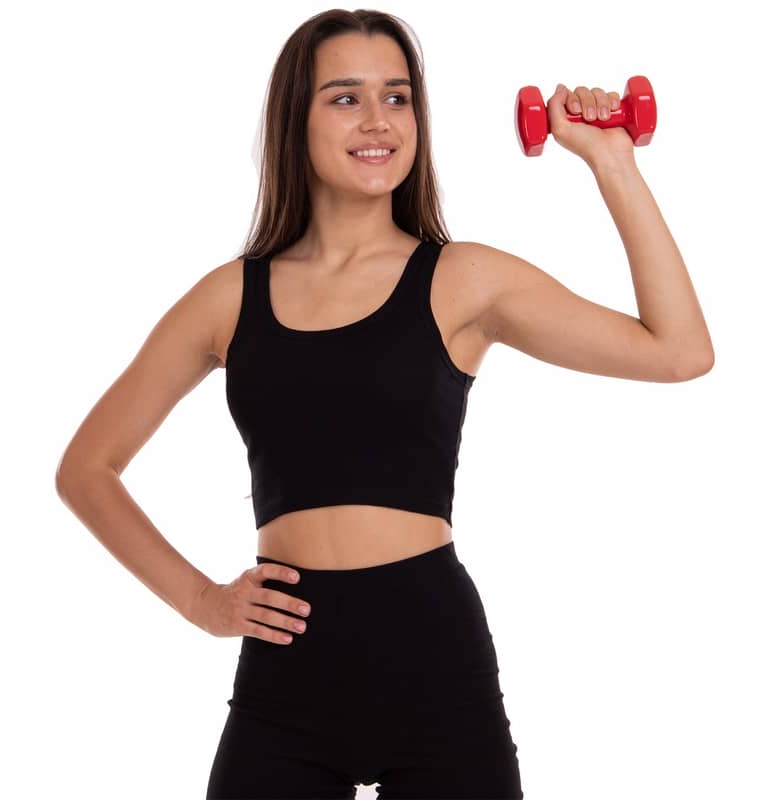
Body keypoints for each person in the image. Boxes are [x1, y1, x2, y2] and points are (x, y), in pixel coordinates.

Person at [54, 8, 714, 799]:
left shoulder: (465, 279)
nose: (378, 121)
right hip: (284, 681)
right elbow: (86, 469)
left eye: (397, 97)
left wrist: (613, 163)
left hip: (435, 664)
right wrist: (202, 602)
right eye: (345, 98)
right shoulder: (229, 297)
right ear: (294, 120)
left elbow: (679, 352)